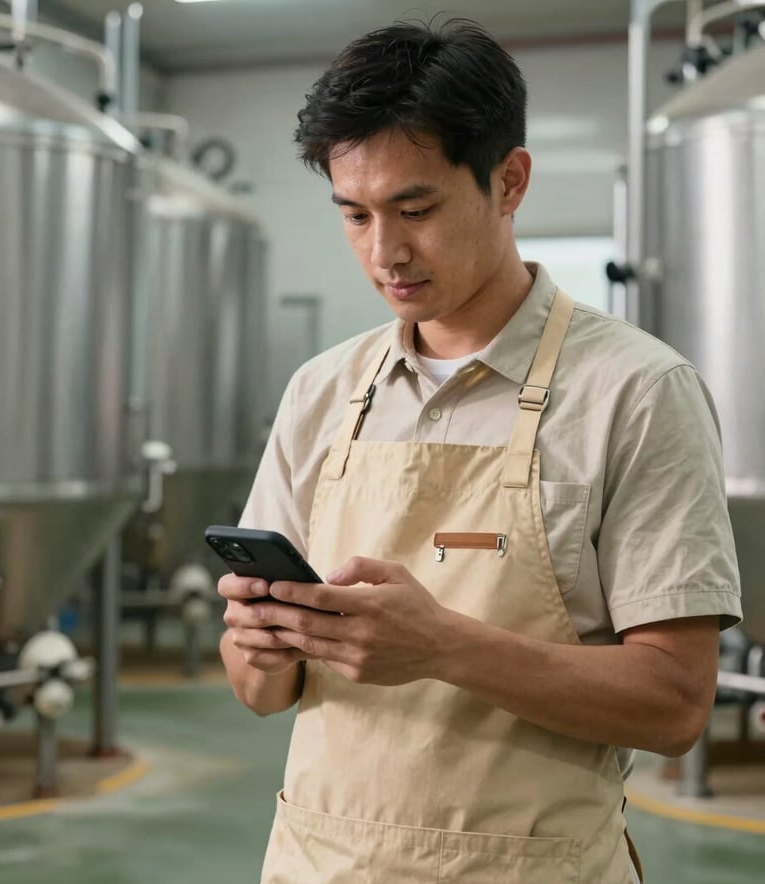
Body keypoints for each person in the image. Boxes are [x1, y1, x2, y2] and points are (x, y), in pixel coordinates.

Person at [218, 18, 742, 884]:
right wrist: (262, 647)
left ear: (509, 181)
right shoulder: (322, 392)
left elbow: (676, 703)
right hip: (320, 863)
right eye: (355, 215)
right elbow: (259, 690)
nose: (384, 252)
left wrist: (443, 647)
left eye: (415, 209)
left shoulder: (636, 391)